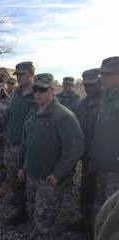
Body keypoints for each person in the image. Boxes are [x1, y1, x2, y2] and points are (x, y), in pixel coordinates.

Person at [18, 73, 84, 239]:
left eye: (42, 90)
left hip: (49, 179)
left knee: (46, 219)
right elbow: (26, 143)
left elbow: (75, 147)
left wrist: (58, 174)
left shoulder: (63, 116)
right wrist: (22, 166)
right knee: (35, 211)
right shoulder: (33, 112)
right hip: (32, 174)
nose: (37, 93)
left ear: (52, 91)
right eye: (35, 90)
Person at [65, 69, 102, 236]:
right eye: (86, 85)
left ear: (99, 83)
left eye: (92, 85)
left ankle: (100, 226)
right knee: (86, 188)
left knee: (102, 194)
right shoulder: (84, 103)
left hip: (104, 159)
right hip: (87, 157)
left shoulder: (107, 102)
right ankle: (85, 219)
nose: (88, 88)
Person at [4, 61, 36, 225]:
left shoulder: (38, 93)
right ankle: (22, 208)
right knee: (14, 178)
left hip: (30, 146)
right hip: (12, 144)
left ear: (32, 74)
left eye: (22, 74)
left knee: (31, 181)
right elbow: (9, 116)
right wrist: (6, 136)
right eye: (18, 75)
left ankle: (34, 213)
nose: (19, 78)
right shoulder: (15, 93)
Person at [89, 56, 119, 219]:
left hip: (116, 170)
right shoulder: (107, 97)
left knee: (112, 214)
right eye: (101, 74)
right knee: (100, 208)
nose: (102, 79)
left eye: (107, 74)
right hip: (103, 165)